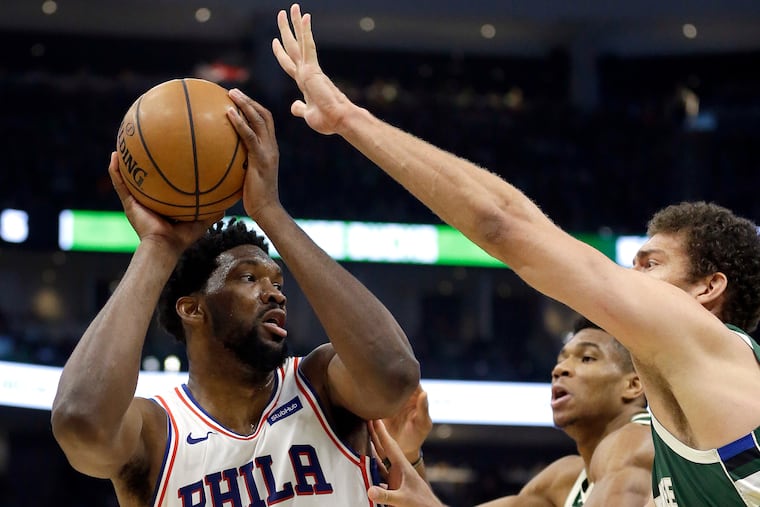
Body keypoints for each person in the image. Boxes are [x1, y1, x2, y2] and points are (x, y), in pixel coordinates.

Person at [272, 5, 760, 506]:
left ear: (708, 288)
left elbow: (503, 224)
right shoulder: (678, 421)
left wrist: (350, 119)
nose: (628, 277)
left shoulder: (701, 352)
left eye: (650, 265)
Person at [51, 93, 420, 506]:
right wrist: (157, 245)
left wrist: (270, 211)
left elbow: (395, 375)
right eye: (248, 277)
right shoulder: (157, 432)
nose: (275, 292)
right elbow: (79, 422)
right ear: (192, 308)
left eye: (277, 281)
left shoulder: (320, 385)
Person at [371, 317, 654, 507]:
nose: (560, 369)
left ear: (633, 384)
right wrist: (410, 454)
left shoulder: (639, 440)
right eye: (561, 359)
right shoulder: (566, 478)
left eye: (587, 358)